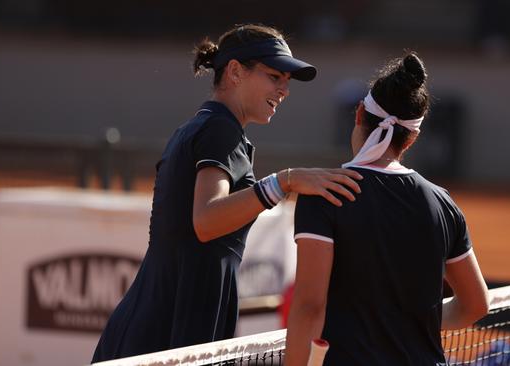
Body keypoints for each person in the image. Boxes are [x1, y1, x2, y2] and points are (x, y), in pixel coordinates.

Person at [91, 24, 363, 363]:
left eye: (287, 81)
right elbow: (206, 220)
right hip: (170, 328)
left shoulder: (208, 125)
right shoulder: (220, 129)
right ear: (235, 72)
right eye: (274, 76)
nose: (284, 90)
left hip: (166, 319)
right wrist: (285, 181)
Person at [284, 52, 489, 365]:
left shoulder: (324, 193)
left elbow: (310, 307)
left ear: (359, 115)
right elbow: (476, 304)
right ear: (412, 138)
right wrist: (412, 320)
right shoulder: (442, 202)